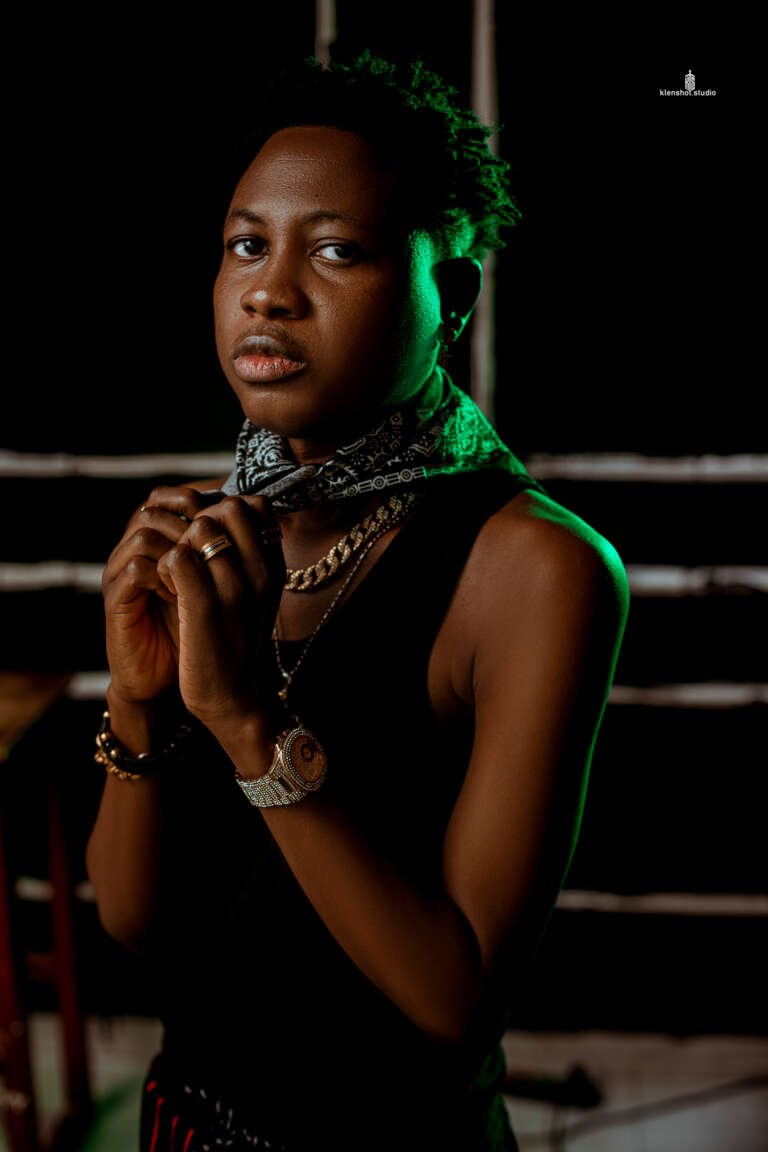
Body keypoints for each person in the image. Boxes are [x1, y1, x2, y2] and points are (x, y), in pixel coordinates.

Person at [86, 51, 629, 1152]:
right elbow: (140, 926)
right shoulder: (220, 530)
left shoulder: (536, 568)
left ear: (453, 299)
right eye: (247, 243)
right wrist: (138, 701)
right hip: (181, 1125)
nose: (269, 291)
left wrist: (250, 724)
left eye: (337, 250)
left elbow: (456, 1003)